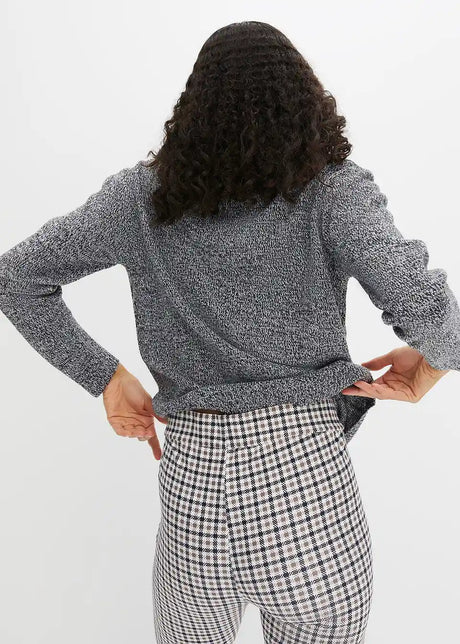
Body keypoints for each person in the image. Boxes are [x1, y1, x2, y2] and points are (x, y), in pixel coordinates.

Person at [1, 20, 459, 644]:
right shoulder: (333, 190)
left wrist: (105, 378)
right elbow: (433, 311)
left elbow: (16, 279)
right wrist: (430, 364)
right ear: (306, 103)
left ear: (192, 108)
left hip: (191, 490)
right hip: (307, 490)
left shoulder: (141, 197)